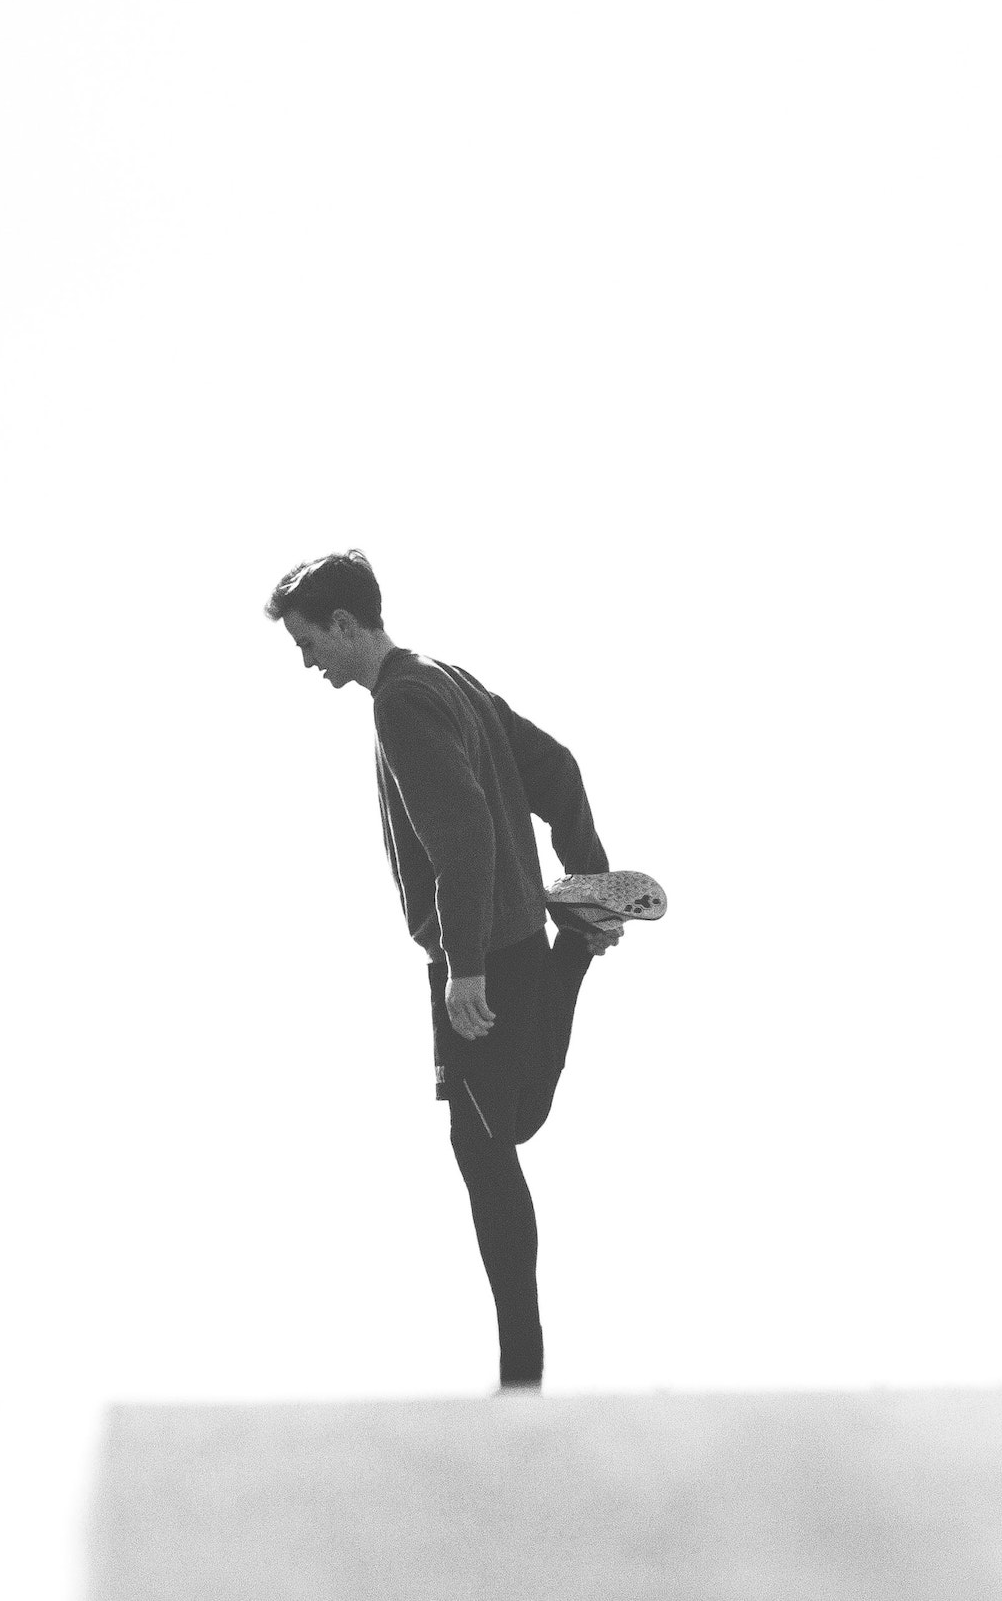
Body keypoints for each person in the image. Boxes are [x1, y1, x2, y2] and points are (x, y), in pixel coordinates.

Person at [265, 547, 629, 1393]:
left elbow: (461, 833)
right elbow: (556, 766)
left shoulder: (402, 700)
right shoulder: (447, 679)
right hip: (515, 939)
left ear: (344, 624)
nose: (308, 662)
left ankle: (520, 1378)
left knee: (484, 1144)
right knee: (511, 1123)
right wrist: (587, 878)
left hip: (481, 957)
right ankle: (575, 940)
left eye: (308, 642)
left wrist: (463, 967)